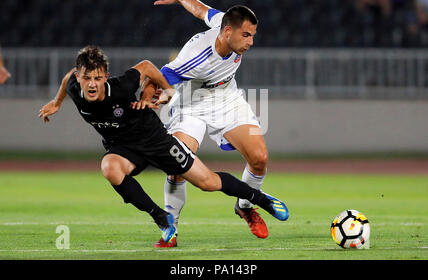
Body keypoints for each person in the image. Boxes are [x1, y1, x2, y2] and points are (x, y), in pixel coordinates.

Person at [38, 45, 289, 246]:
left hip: (155, 139)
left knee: (207, 182)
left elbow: (147, 66)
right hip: (124, 148)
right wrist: (56, 103)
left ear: (105, 76)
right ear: (78, 76)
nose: (92, 84)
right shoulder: (73, 83)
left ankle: (260, 198)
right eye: (86, 78)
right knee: (109, 167)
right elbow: (66, 79)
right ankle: (162, 219)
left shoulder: (122, 86)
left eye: (98, 78)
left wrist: (167, 90)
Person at [144, 0, 271, 247]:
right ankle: (171, 229)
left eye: (253, 35)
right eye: (246, 35)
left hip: (227, 99)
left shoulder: (223, 22)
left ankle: (245, 205)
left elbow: (201, 9)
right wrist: (154, 96)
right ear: (228, 32)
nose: (251, 42)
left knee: (259, 159)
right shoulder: (198, 55)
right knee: (177, 166)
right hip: (192, 105)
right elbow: (164, 75)